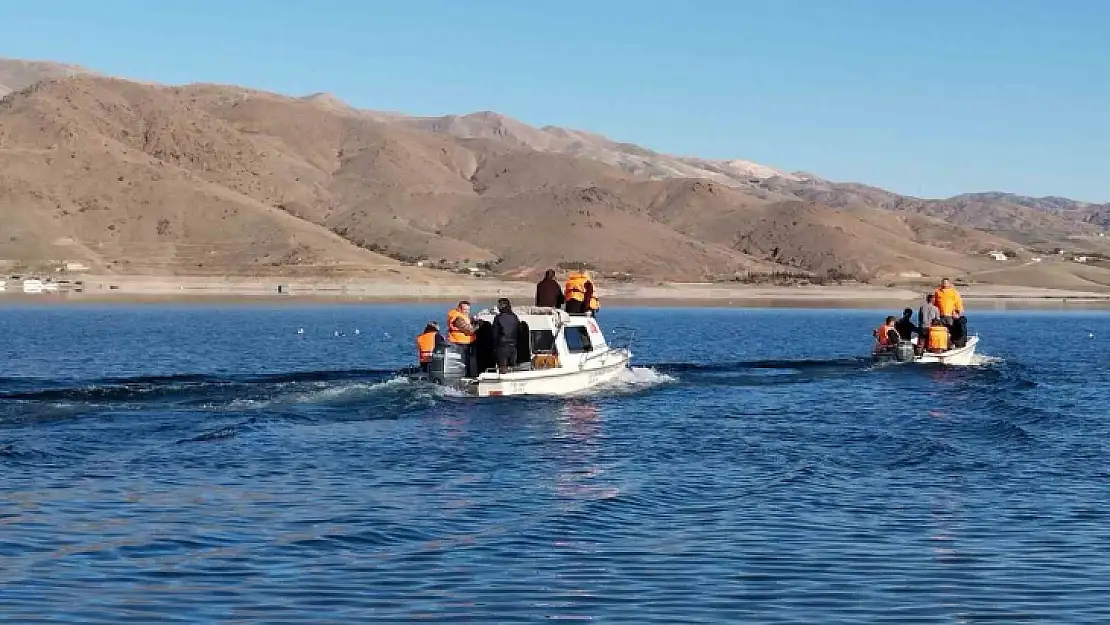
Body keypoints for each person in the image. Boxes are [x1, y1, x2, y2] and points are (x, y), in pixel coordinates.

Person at [446, 300, 477, 376]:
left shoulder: (462, 316)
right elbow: (469, 330)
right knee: (462, 362)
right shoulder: (457, 318)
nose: (467, 311)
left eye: (468, 309)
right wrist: (478, 325)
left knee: (465, 361)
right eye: (465, 309)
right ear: (459, 309)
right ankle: (464, 376)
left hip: (463, 342)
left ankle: (466, 374)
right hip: (460, 342)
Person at [492, 297, 520, 373]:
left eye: (498, 305)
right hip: (513, 347)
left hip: (502, 347)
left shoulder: (498, 318)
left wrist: (494, 347)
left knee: (502, 370)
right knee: (512, 369)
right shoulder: (515, 317)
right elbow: (518, 331)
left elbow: (495, 334)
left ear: (501, 306)